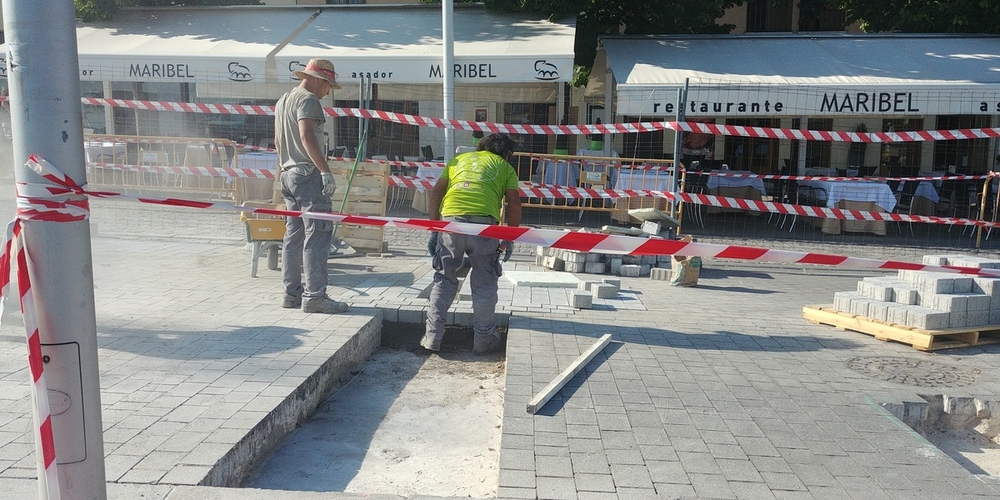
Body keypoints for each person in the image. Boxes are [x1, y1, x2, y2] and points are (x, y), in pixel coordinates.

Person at [422, 133, 522, 355]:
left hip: (451, 223)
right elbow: (514, 204)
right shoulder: (505, 167)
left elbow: (437, 191)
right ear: (505, 154)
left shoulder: (459, 160)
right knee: (484, 283)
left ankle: (432, 337)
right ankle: (483, 341)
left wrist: (434, 229)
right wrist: (508, 238)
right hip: (484, 227)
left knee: (444, 278)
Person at [274, 58, 349, 314]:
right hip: (307, 175)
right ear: (318, 79)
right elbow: (306, 135)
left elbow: (277, 141)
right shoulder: (308, 100)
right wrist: (325, 171)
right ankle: (315, 296)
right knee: (317, 235)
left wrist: (284, 167)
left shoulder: (284, 100)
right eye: (328, 85)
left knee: (293, 236)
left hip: (288, 174)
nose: (328, 92)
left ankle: (290, 294)